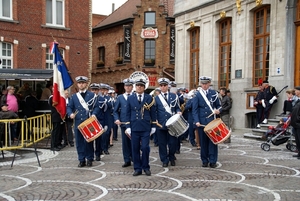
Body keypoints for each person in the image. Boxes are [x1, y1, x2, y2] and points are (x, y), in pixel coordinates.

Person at [125, 78, 156, 176]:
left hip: (146, 126)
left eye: (141, 86)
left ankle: (146, 167)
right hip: (134, 126)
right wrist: (128, 126)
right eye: (138, 85)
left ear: (144, 87)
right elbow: (127, 113)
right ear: (135, 87)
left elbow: (153, 112)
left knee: (145, 147)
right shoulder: (130, 98)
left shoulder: (149, 98)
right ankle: (137, 168)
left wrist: (154, 125)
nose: (139, 87)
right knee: (135, 148)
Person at [67, 76, 99, 167]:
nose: (81, 84)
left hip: (88, 121)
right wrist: (70, 114)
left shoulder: (91, 95)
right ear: (77, 84)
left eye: (83, 83)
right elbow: (69, 107)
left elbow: (96, 107)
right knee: (79, 142)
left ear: (86, 84)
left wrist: (94, 113)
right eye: (79, 83)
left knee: (88, 141)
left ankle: (89, 159)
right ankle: (81, 159)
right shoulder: (74, 97)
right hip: (78, 122)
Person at [193, 76, 221, 168]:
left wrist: (218, 110)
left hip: (212, 121)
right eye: (203, 84)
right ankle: (204, 160)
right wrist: (196, 120)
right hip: (201, 122)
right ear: (200, 84)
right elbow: (195, 109)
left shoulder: (214, 93)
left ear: (209, 84)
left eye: (206, 84)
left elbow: (219, 106)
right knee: (203, 142)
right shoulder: (197, 94)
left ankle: (213, 161)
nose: (204, 85)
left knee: (213, 141)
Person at [155, 77, 181, 167]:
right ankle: (164, 160)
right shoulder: (156, 98)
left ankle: (171, 156)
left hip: (172, 124)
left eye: (165, 85)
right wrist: (155, 121)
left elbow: (177, 107)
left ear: (168, 86)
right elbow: (154, 111)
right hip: (161, 123)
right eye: (161, 86)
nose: (163, 87)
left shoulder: (174, 96)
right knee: (162, 143)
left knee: (173, 143)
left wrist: (178, 111)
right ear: (159, 87)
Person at [114, 78, 134, 168]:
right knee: (125, 143)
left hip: (134, 124)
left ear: (132, 86)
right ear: (124, 87)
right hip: (124, 123)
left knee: (134, 142)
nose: (128, 87)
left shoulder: (135, 96)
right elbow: (115, 111)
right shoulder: (120, 98)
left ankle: (135, 158)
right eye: (126, 86)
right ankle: (127, 160)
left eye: (130, 86)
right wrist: (117, 119)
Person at [291, 86, 300, 159]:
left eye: (296, 91)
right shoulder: (297, 100)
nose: (295, 92)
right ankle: (299, 152)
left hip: (298, 123)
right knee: (297, 139)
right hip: (295, 123)